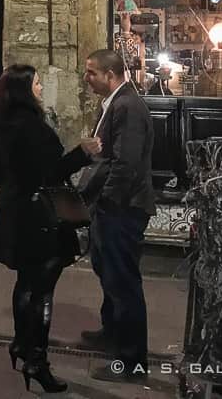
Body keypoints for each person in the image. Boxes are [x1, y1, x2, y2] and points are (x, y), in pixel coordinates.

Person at [0, 65, 99, 394]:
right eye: (37, 83)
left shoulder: (5, 120)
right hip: (40, 218)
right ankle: (37, 361)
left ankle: (22, 345)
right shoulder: (30, 126)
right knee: (42, 290)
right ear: (25, 90)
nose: (41, 87)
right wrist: (83, 153)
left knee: (26, 283)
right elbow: (48, 173)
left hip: (18, 211)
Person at [79, 49, 156, 383]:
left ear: (110, 75)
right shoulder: (114, 103)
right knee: (108, 272)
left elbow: (126, 163)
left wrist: (108, 200)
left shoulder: (127, 107)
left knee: (123, 281)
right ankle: (112, 332)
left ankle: (131, 360)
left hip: (123, 208)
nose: (87, 78)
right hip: (111, 207)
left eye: (91, 72)